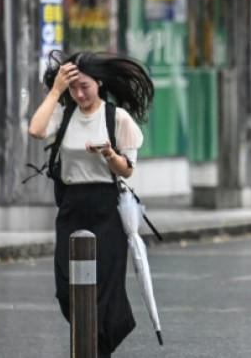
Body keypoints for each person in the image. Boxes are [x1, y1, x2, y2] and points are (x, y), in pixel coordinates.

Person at [28, 50, 154, 358]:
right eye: (73, 87)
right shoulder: (64, 114)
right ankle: (106, 334)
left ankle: (94, 351)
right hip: (71, 207)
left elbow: (127, 170)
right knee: (66, 289)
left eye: (85, 86)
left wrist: (109, 154)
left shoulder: (117, 118)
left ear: (99, 83)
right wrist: (56, 90)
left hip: (106, 208)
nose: (79, 93)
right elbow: (35, 130)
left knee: (102, 291)